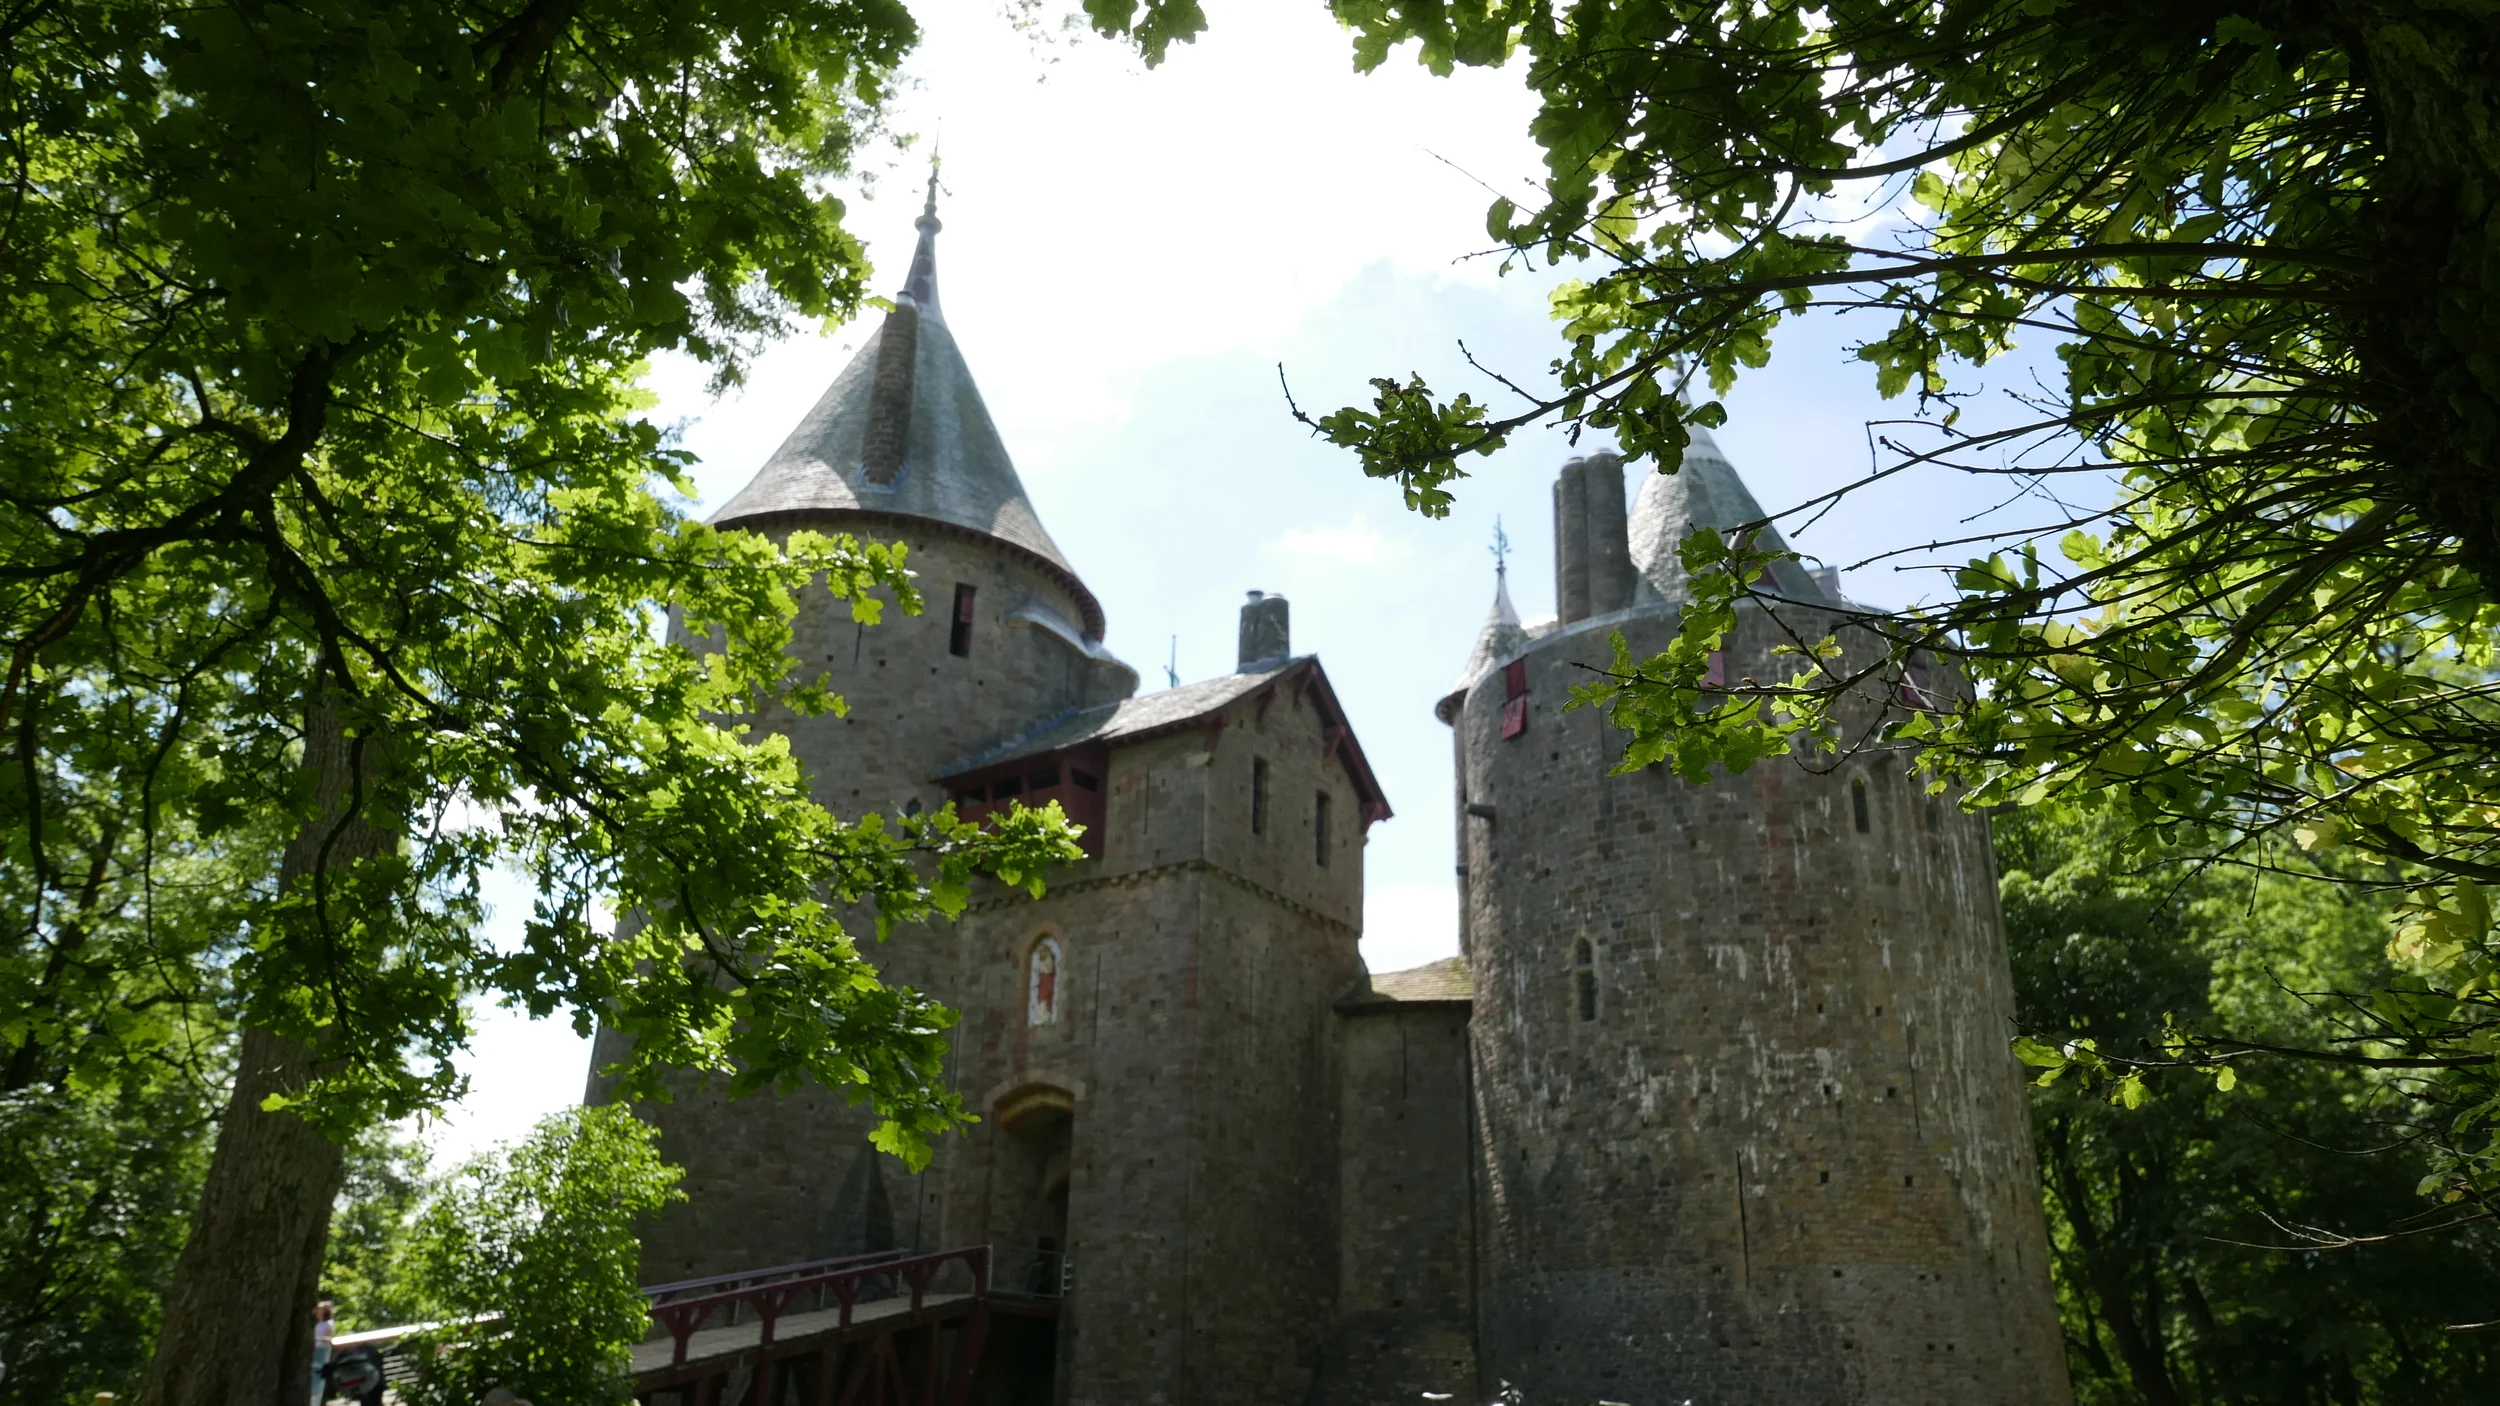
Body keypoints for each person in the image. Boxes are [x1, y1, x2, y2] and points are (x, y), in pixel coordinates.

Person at [310, 1301, 335, 1406]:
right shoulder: (318, 1324)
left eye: (320, 1310)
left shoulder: (328, 1324)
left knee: (318, 1378)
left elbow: (327, 1340)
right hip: (315, 1350)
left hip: (322, 1351)